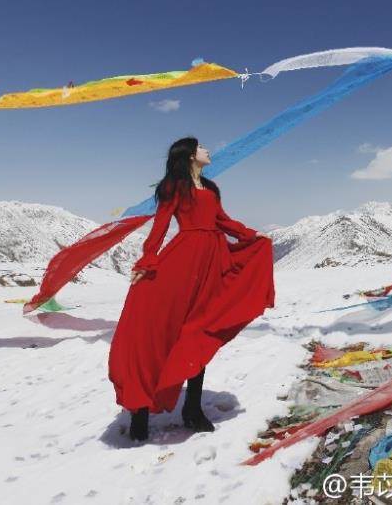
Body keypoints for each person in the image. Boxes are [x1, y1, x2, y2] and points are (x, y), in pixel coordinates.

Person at [108, 137, 275, 442]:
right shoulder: (174, 187)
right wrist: (148, 260)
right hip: (183, 262)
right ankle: (140, 411)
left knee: (198, 332)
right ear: (188, 155)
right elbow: (160, 226)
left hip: (213, 263)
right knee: (159, 332)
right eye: (201, 147)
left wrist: (252, 235)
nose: (207, 150)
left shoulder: (210, 189)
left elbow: (223, 221)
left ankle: (193, 409)